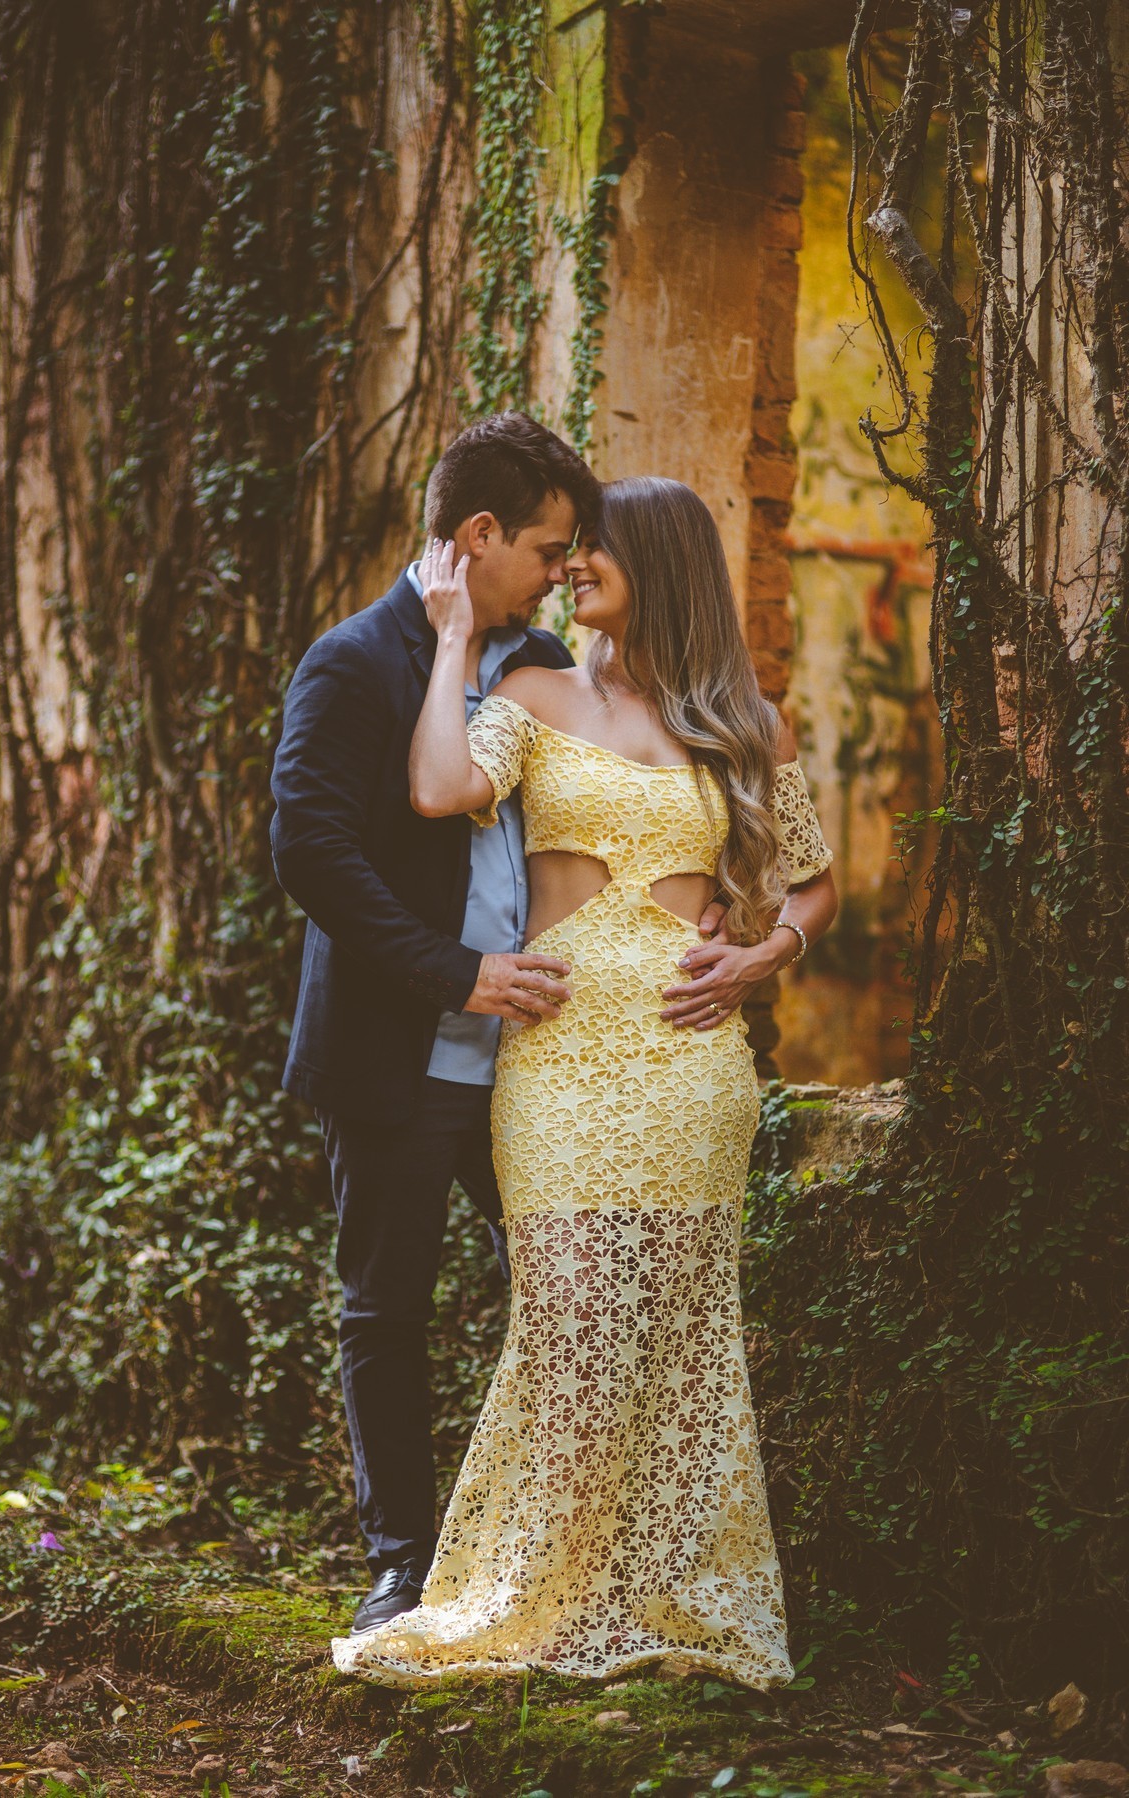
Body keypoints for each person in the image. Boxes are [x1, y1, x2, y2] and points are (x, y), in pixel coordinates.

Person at [331, 475, 838, 1689]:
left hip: (691, 1058)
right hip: (558, 1057)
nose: (571, 568)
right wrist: (455, 637)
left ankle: (663, 1592)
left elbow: (814, 878)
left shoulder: (743, 722)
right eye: (570, 552)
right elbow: (440, 788)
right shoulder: (531, 689)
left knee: (682, 1332)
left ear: (656, 563)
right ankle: (545, 1596)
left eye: (594, 550)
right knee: (567, 1321)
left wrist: (770, 949)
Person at [272, 412, 625, 1635]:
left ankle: (554, 1559)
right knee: (389, 1308)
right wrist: (453, 973)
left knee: (574, 1290)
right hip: (401, 1052)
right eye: (545, 546)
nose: (560, 570)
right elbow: (310, 851)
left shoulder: (542, 669)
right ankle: (401, 1567)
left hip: (539, 1059)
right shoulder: (353, 660)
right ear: (478, 536)